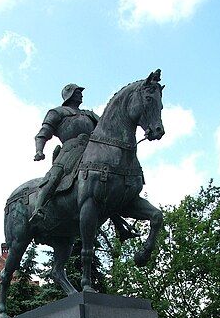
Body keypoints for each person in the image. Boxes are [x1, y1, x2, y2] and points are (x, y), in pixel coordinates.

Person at [30, 83, 139, 241]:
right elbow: (43, 134)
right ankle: (38, 210)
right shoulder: (57, 112)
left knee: (108, 184)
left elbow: (108, 128)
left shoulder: (89, 115)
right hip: (70, 150)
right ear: (69, 95)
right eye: (77, 92)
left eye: (80, 92)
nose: (81, 94)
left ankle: (120, 227)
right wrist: (39, 150)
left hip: (92, 152)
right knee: (54, 176)